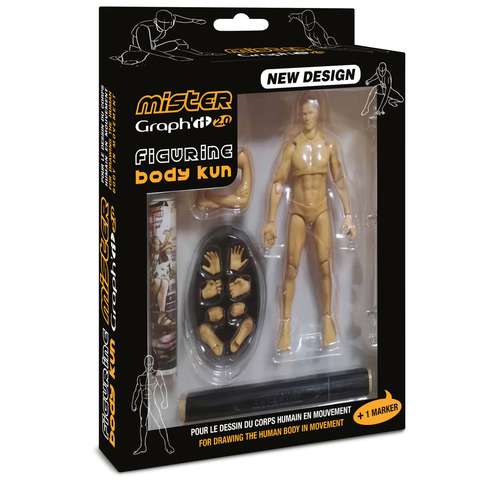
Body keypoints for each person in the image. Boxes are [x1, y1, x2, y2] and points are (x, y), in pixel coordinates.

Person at [262, 94, 356, 351]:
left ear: (318, 114)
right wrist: (270, 221)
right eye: (303, 113)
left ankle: (327, 320)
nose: (306, 117)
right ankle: (284, 326)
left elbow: (339, 181)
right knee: (291, 268)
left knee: (325, 266)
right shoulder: (292, 147)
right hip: (298, 212)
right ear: (299, 114)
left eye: (310, 113)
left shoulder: (329, 145)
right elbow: (278, 183)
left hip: (322, 211)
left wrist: (348, 215)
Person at [112, 9, 209, 64]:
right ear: (155, 21)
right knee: (132, 58)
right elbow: (147, 49)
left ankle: (201, 54)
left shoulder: (169, 21)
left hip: (153, 46)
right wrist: (173, 57)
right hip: (140, 50)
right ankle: (120, 58)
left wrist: (193, 20)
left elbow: (175, 17)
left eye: (168, 24)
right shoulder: (143, 28)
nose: (165, 26)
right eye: (161, 24)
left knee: (180, 42)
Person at [131, 355, 174, 455]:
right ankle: (143, 446)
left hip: (153, 403)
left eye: (150, 363)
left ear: (152, 364)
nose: (148, 365)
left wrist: (164, 400)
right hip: (144, 403)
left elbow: (163, 386)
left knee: (160, 424)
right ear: (145, 364)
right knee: (143, 424)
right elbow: (137, 391)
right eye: (147, 363)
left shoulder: (156, 375)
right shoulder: (141, 378)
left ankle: (167, 445)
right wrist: (133, 402)